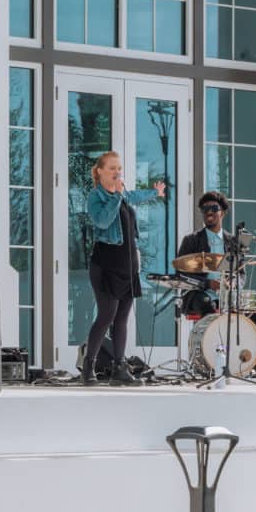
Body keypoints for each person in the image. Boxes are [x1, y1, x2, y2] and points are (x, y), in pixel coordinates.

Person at [81, 151, 166, 386]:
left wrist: (154, 192)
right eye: (111, 168)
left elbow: (135, 196)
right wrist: (117, 197)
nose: (117, 172)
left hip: (128, 265)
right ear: (100, 171)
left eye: (119, 168)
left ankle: (119, 368)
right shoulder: (96, 197)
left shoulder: (124, 195)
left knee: (122, 319)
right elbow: (102, 221)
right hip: (105, 263)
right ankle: (89, 365)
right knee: (106, 316)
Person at [176, 191, 234, 317]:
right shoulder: (191, 240)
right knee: (208, 306)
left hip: (227, 295)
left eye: (214, 208)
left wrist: (233, 283)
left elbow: (241, 273)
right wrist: (208, 284)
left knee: (254, 311)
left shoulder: (232, 242)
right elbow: (181, 273)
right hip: (198, 294)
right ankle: (213, 337)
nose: (209, 212)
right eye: (205, 209)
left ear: (222, 213)